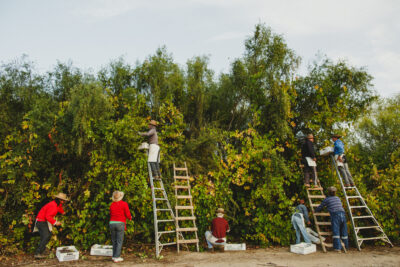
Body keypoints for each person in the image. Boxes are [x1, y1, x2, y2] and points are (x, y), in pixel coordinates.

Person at [34, 193, 69, 259]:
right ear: (59, 199)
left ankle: (41, 251)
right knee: (46, 236)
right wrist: (55, 222)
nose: (63, 202)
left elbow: (59, 208)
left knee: (46, 236)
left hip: (43, 220)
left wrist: (63, 212)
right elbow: (48, 216)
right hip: (41, 221)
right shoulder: (53, 205)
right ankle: (37, 253)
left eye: (64, 200)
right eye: (62, 200)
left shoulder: (57, 204)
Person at [315, 186, 349, 252]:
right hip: (342, 214)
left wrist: (315, 211)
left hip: (335, 215)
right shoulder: (337, 198)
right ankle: (346, 246)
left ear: (328, 192)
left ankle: (337, 248)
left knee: (336, 231)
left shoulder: (327, 199)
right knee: (344, 231)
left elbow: (320, 207)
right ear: (335, 192)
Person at [109, 191, 132, 263]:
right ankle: (117, 257)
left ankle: (114, 256)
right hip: (120, 223)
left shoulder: (112, 205)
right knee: (119, 241)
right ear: (121, 196)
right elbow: (127, 213)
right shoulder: (124, 204)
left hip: (112, 223)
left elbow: (111, 213)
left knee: (114, 241)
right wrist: (130, 218)